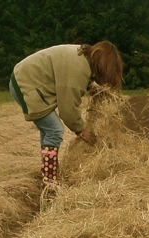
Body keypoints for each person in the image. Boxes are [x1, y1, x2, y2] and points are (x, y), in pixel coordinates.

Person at [9, 41, 124, 187]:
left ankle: (48, 172)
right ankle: (50, 180)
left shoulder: (83, 57)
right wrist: (81, 130)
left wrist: (92, 87)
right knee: (54, 130)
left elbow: (71, 77)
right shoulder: (79, 68)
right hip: (26, 84)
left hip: (23, 78)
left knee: (49, 130)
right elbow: (68, 109)